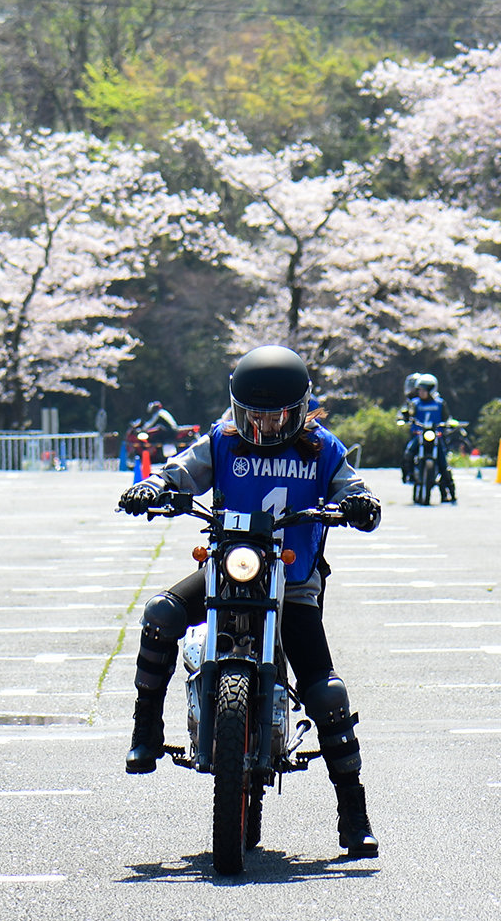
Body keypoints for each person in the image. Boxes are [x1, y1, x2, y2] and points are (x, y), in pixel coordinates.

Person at [117, 346, 384, 857]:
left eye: (276, 415)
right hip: (227, 571)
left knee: (326, 694)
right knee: (161, 614)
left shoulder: (322, 449)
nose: (262, 425)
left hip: (294, 583)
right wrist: (152, 489)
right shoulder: (222, 442)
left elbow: (352, 485)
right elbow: (178, 472)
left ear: (301, 410)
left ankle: (353, 814)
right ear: (237, 409)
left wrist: (361, 503)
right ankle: (145, 727)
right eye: (253, 414)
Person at [399, 374, 451, 499]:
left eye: (423, 390)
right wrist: (404, 418)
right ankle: (409, 474)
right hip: (419, 435)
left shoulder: (440, 403)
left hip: (436, 436)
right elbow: (407, 414)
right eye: (419, 390)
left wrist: (449, 424)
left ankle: (449, 490)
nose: (420, 392)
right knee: (409, 453)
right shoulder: (415, 403)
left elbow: (447, 418)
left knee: (443, 462)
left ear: (431, 390)